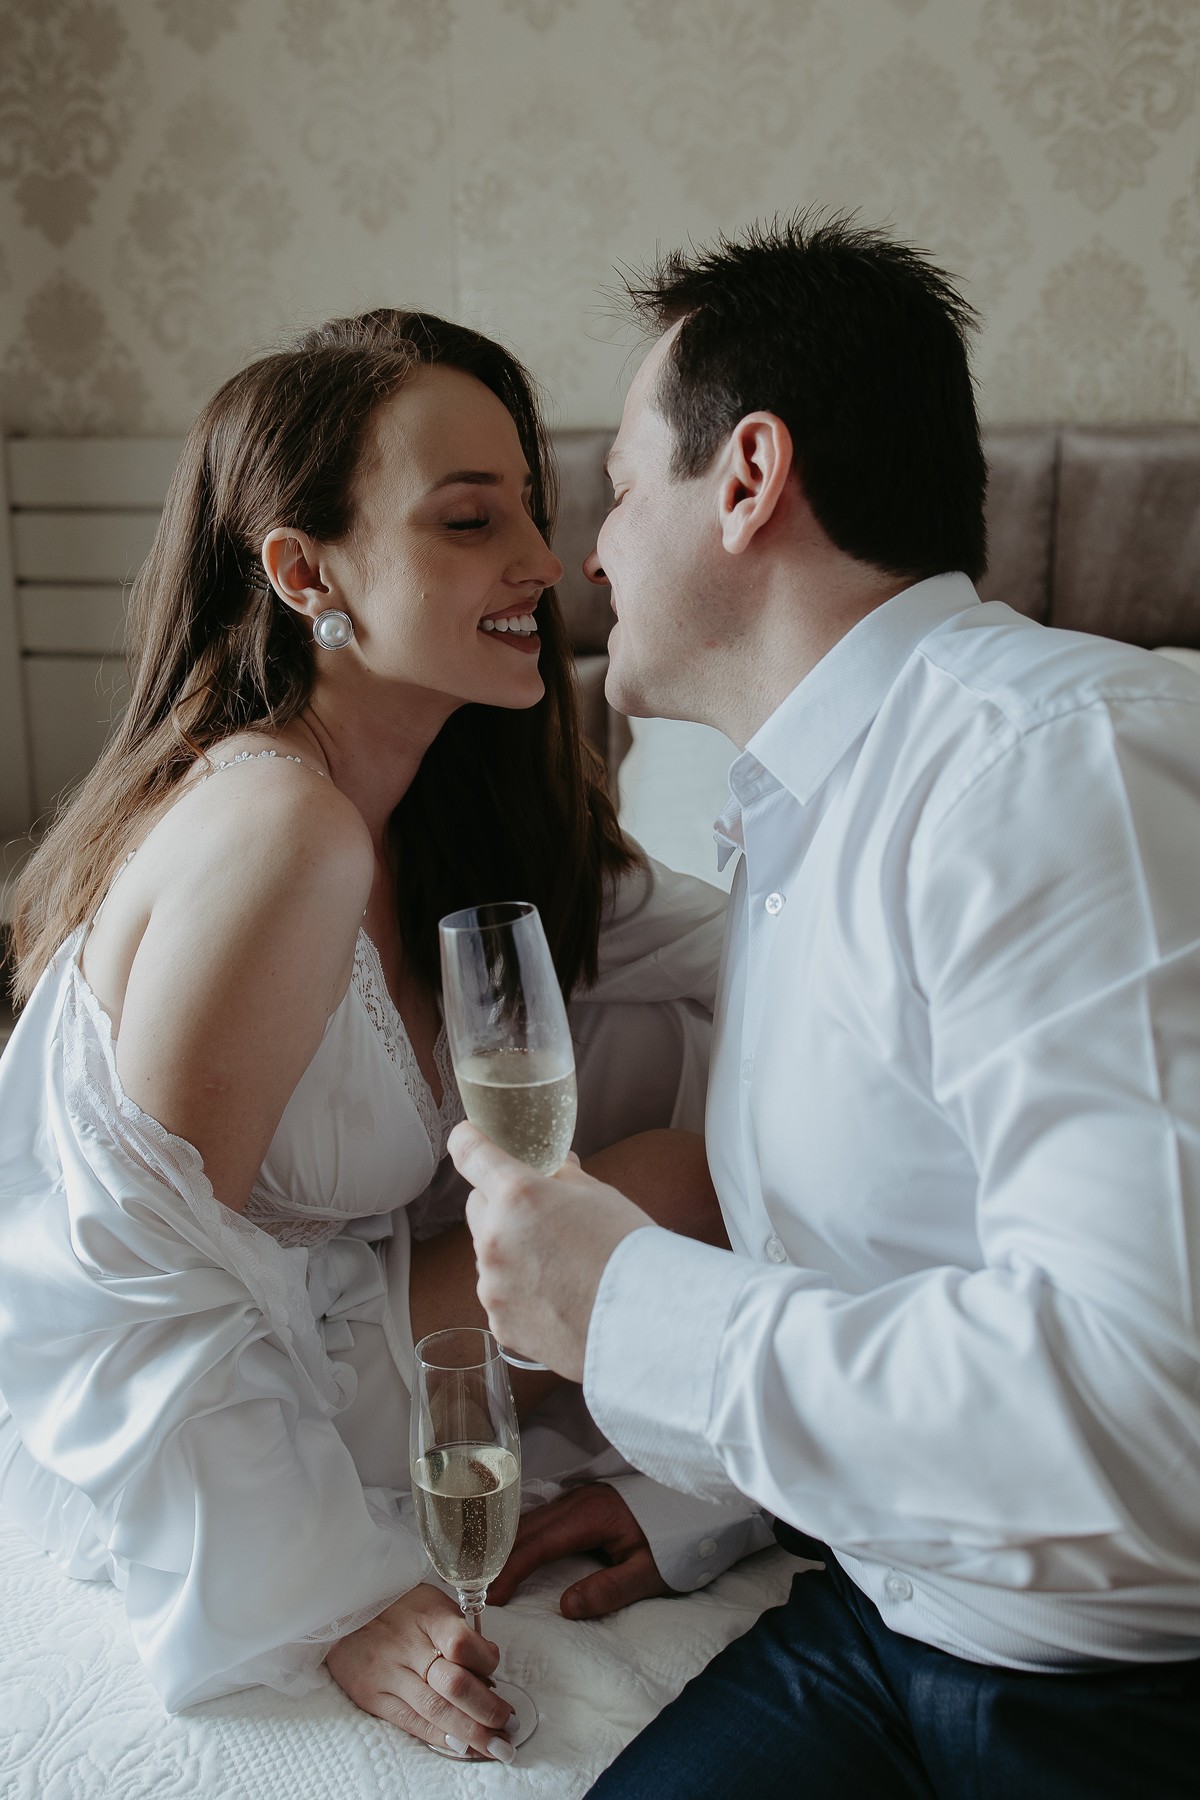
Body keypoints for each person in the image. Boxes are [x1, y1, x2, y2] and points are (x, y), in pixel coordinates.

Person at [449, 215, 1200, 1797]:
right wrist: (704, 1498)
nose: (590, 556)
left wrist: (627, 1309)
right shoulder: (796, 818)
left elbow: (1150, 1411)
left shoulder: (1055, 770)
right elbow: (897, 1263)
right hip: (888, 1612)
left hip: (1128, 1690)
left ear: (748, 477)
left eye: (617, 490)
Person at [0, 311, 761, 1758]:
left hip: (340, 1315)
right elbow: (135, 1283)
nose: (542, 561)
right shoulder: (278, 831)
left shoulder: (458, 806)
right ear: (304, 572)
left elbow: (748, 959)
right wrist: (328, 1599)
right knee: (681, 1186)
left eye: (531, 507)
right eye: (470, 521)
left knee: (703, 1146)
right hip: (168, 1382)